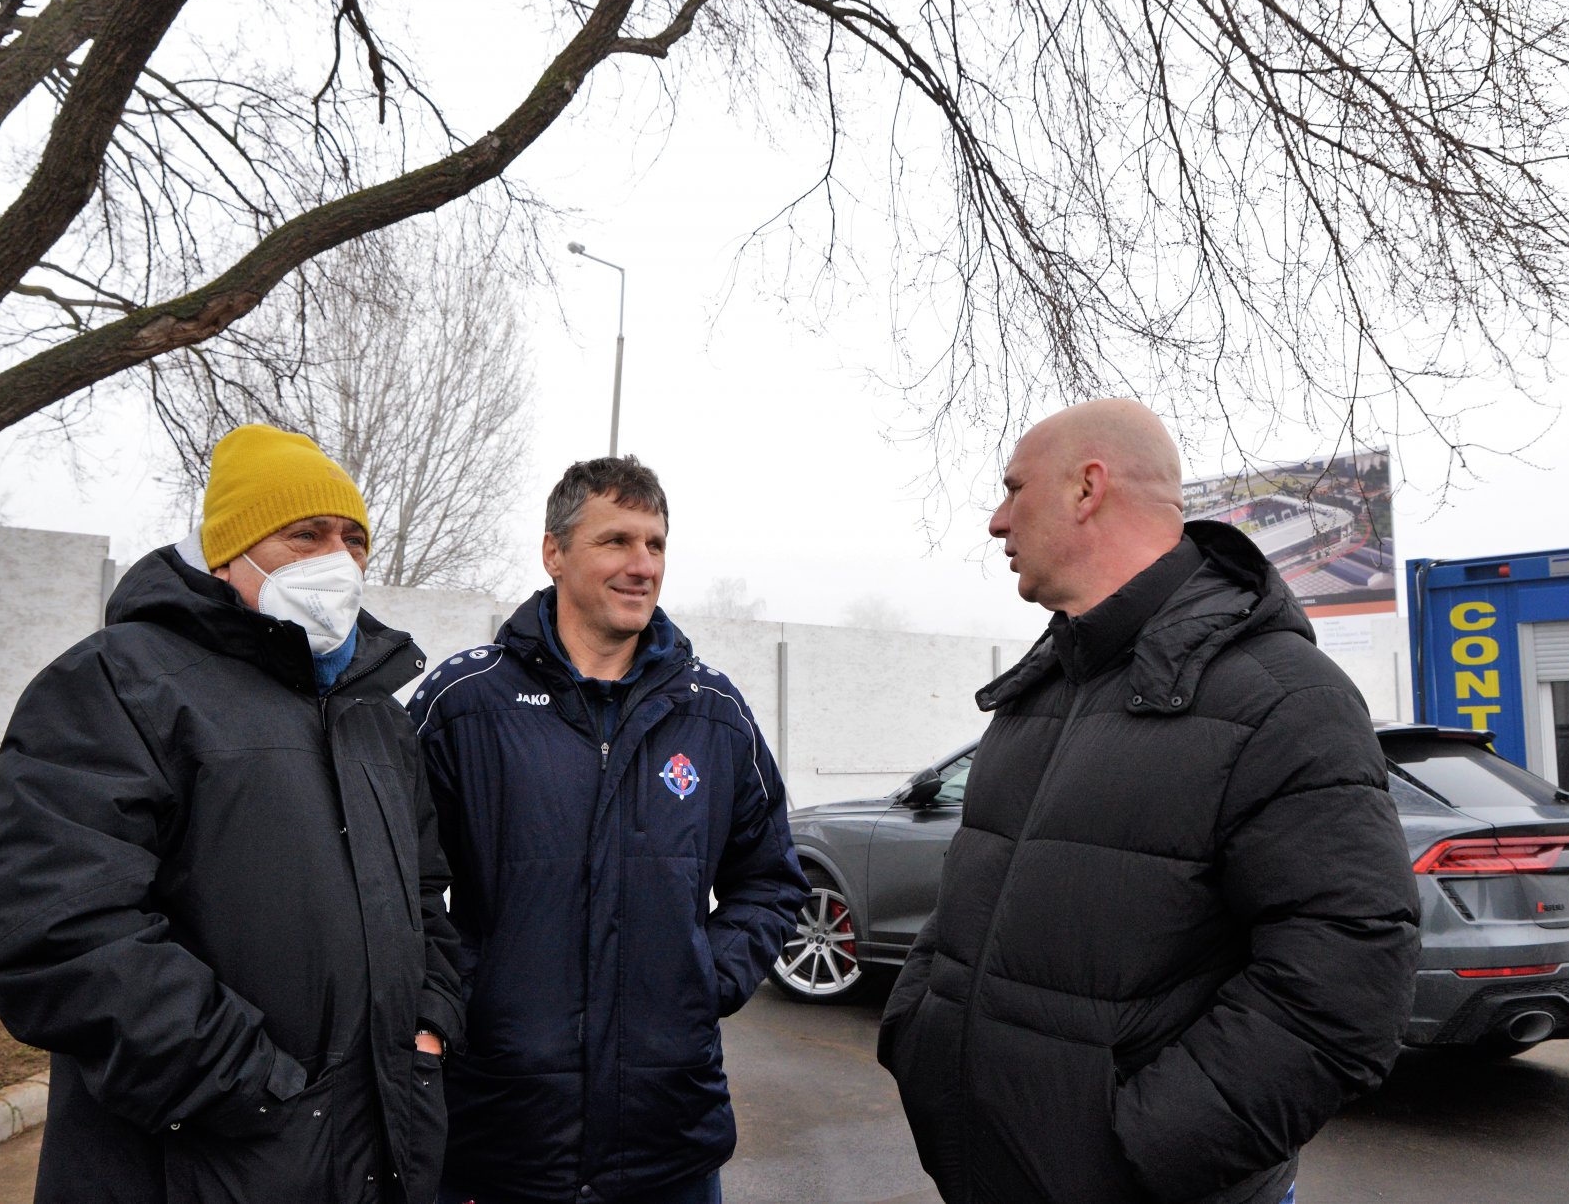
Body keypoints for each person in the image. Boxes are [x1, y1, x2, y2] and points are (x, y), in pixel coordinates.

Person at [879, 401, 1420, 1204]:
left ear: (1087, 487)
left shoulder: (1284, 697)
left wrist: (1133, 1155)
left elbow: (1344, 984)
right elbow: (969, 908)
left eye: (1013, 488)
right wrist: (918, 1035)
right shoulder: (1042, 689)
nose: (996, 521)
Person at [0, 424, 464, 1204]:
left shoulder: (378, 718)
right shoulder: (118, 685)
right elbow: (53, 932)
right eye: (305, 534)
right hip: (196, 1166)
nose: (337, 559)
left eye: (353, 539)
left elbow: (425, 902)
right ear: (229, 551)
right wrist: (254, 1085)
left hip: (371, 1159)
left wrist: (427, 1030)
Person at [408, 455, 808, 1204]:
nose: (642, 565)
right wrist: (467, 993)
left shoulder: (714, 714)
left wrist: (705, 975)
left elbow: (770, 878)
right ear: (554, 552)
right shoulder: (464, 703)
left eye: (655, 545)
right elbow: (397, 882)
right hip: (504, 1135)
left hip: (668, 1143)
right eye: (617, 541)